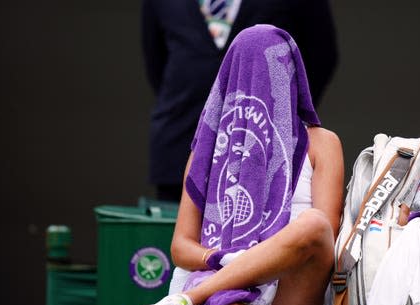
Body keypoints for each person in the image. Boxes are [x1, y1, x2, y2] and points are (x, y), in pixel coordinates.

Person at [132, 25, 344, 305]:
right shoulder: (207, 151)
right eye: (249, 70)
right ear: (231, 79)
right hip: (229, 277)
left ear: (293, 76)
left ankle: (185, 303)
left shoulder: (323, 143)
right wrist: (228, 259)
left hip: (293, 290)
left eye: (274, 69)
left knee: (314, 223)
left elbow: (325, 240)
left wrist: (255, 261)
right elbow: (181, 246)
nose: (263, 82)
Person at [141, 0, 339, 202]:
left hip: (266, 151)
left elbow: (321, 55)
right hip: (179, 141)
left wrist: (284, 116)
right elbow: (155, 62)